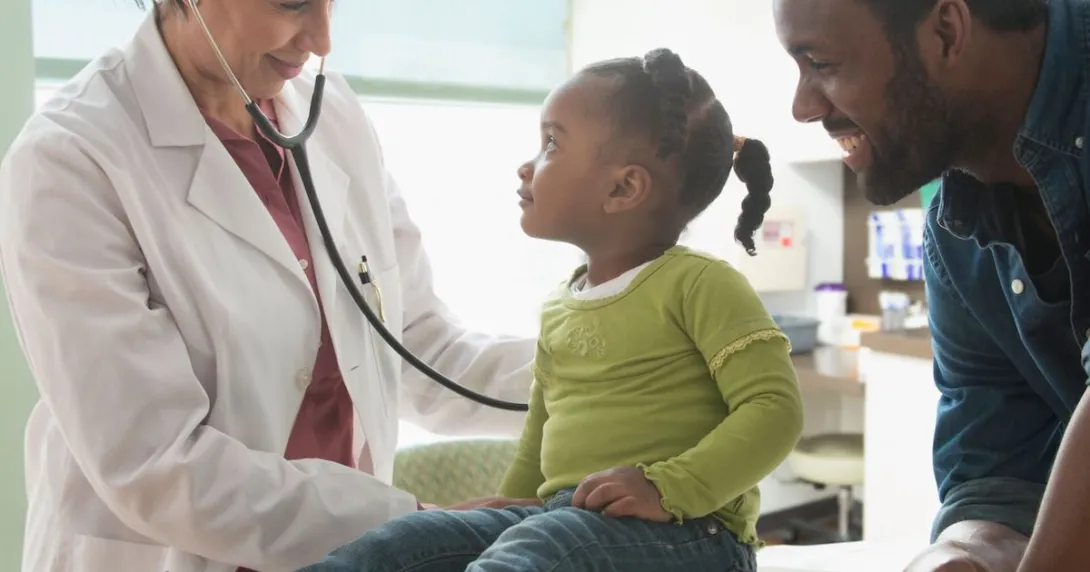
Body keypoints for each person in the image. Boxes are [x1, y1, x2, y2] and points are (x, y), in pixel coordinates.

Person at [0, 1, 541, 571]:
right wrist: (418, 527)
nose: (323, 39)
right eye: (292, 3)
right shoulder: (71, 157)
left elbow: (416, 346)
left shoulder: (331, 117)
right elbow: (153, 462)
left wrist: (615, 370)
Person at [297, 47, 805, 572]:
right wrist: (513, 501)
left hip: (692, 532)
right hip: (568, 519)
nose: (527, 164)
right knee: (406, 543)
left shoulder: (702, 284)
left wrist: (669, 487)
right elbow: (541, 429)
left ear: (623, 187)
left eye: (551, 145)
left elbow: (775, 409)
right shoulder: (564, 302)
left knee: (533, 552)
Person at [773, 0, 1090, 570]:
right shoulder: (955, 236)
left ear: (946, 30)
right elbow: (996, 469)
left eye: (820, 62)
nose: (802, 107)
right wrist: (962, 553)